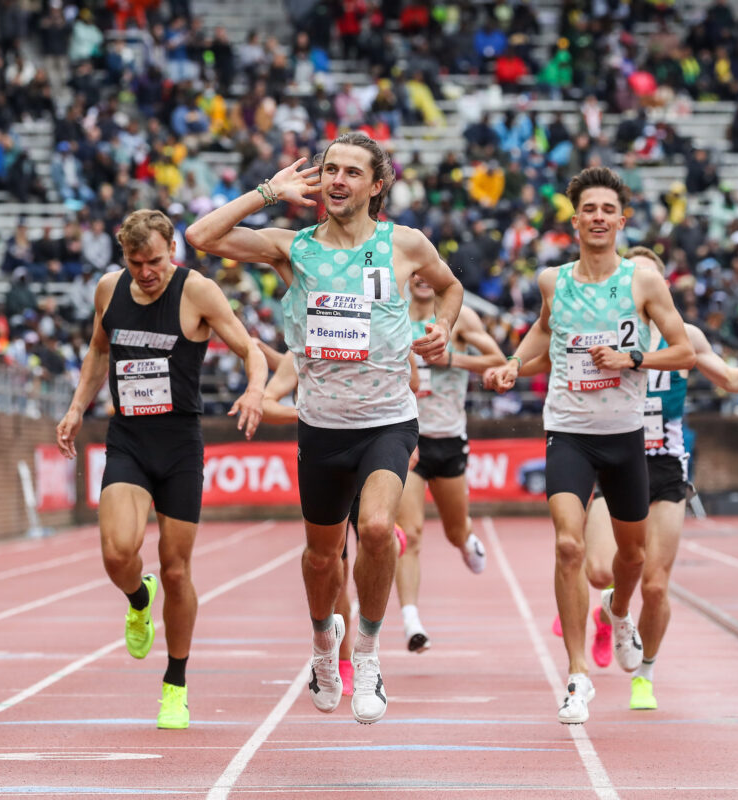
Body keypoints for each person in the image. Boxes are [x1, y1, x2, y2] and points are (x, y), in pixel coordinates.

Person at [185, 131, 465, 724]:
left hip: (388, 418)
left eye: (351, 172)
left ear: (377, 185)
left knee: (379, 526)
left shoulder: (406, 244)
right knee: (320, 559)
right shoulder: (295, 247)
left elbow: (450, 287)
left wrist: (441, 326)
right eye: (329, 170)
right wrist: (268, 191)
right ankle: (322, 641)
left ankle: (365, 652)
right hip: (321, 425)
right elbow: (200, 238)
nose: (337, 180)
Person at [483, 167, 696, 725]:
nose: (598, 217)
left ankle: (618, 613)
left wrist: (633, 359)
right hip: (569, 431)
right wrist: (511, 363)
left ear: (621, 221)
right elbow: (543, 331)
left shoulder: (644, 283)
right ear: (574, 220)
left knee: (632, 558)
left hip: (625, 436)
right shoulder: (554, 281)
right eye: (589, 209)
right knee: (570, 548)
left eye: (608, 210)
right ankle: (577, 676)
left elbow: (683, 353)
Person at [531, 246, 738, 711]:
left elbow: (730, 378)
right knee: (601, 569)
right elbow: (549, 350)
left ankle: (644, 673)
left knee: (656, 583)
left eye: (649, 280)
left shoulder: (684, 336)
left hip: (664, 464)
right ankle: (612, 609)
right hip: (613, 450)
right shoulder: (598, 326)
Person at [55, 209, 266, 731]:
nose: (146, 272)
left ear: (172, 247)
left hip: (178, 444)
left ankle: (175, 685)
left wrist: (255, 388)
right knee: (116, 552)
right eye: (136, 262)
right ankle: (137, 597)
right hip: (128, 438)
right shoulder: (110, 289)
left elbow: (250, 349)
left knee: (176, 567)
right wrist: (78, 406)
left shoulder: (198, 292)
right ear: (123, 257)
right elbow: (98, 353)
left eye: (155, 260)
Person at [259, 344, 411, 695]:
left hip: (374, 450)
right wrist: (303, 409)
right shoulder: (305, 348)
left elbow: (409, 380)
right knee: (332, 564)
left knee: (375, 532)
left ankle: (363, 655)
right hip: (327, 457)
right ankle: (336, 658)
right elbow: (268, 402)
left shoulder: (381, 334)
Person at [396, 275, 506, 653]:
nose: (423, 279)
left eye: (431, 273)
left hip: (449, 441)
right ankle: (412, 621)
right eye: (416, 273)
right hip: (407, 440)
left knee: (454, 530)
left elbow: (498, 360)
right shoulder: (392, 314)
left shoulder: (461, 319)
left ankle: (466, 540)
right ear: (408, 278)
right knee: (408, 535)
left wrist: (451, 358)